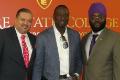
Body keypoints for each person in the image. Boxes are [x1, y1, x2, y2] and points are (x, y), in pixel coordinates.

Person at [32, 5, 83, 80]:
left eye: (65, 15)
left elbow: (79, 60)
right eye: (59, 15)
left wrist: (76, 75)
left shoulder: (75, 35)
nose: (62, 18)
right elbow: (38, 66)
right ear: (54, 17)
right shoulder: (42, 37)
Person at [81, 2, 120, 80]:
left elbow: (118, 69)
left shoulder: (115, 38)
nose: (96, 20)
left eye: (100, 16)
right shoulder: (84, 39)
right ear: (89, 19)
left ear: (105, 17)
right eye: (93, 17)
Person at [0, 8, 36, 80]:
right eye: (22, 20)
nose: (26, 23)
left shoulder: (34, 39)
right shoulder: (2, 35)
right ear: (16, 20)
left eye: (29, 21)